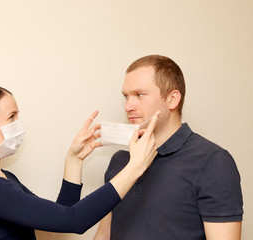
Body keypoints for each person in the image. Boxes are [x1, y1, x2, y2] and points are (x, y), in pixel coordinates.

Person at [0, 84, 159, 240]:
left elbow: (61, 215)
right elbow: (75, 221)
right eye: (11, 117)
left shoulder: (3, 178)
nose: (19, 124)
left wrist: (74, 159)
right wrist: (134, 168)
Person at [94, 55, 243, 240]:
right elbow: (103, 235)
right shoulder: (120, 160)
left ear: (173, 99)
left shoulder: (213, 162)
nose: (128, 106)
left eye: (139, 95)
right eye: (126, 96)